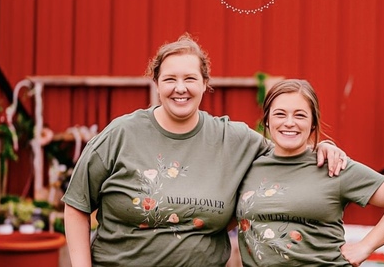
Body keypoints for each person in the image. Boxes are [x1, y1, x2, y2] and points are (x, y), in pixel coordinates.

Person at [62, 34, 348, 267]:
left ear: (205, 84)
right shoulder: (121, 134)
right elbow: (77, 204)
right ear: (156, 83)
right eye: (170, 79)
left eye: (190, 79)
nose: (180, 88)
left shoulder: (232, 139)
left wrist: (322, 145)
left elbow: (287, 152)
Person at [236, 79, 384, 266]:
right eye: (280, 114)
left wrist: (366, 246)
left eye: (300, 115)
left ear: (313, 123)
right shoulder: (248, 165)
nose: (289, 123)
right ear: (267, 121)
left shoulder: (332, 165)